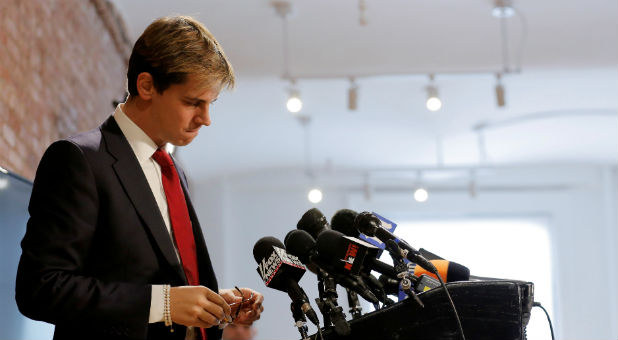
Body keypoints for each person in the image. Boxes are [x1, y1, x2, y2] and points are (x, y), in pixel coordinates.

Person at [16, 16, 263, 340]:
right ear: (146, 86)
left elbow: (167, 283)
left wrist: (213, 307)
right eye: (193, 102)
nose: (205, 119)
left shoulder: (175, 171)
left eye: (210, 104)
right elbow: (41, 288)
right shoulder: (79, 160)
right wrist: (162, 303)